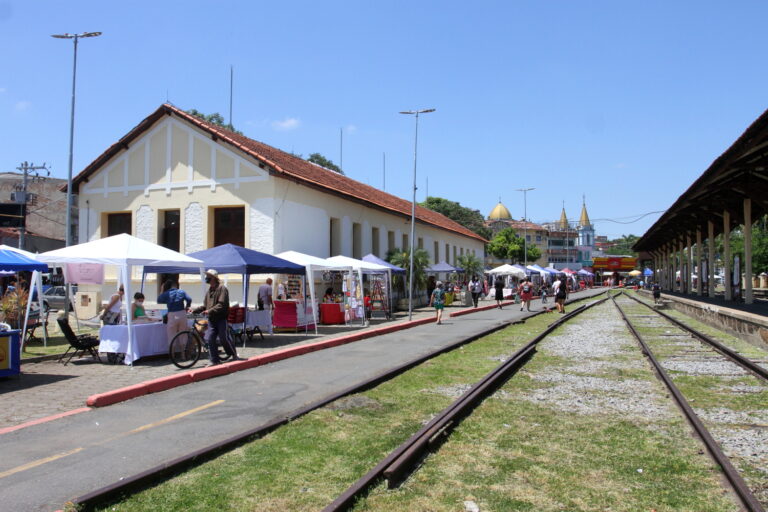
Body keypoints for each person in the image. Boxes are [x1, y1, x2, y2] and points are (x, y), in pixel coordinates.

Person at [193, 269, 238, 365]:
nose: (206, 278)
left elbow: (221, 304)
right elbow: (205, 306)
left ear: (214, 278)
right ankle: (214, 360)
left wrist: (209, 311)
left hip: (221, 318)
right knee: (210, 338)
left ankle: (233, 354)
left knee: (223, 337)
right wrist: (194, 310)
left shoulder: (222, 289)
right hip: (212, 319)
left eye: (208, 276)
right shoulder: (209, 291)